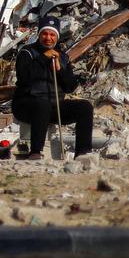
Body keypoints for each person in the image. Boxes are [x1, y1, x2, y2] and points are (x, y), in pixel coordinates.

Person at [11, 21, 93, 158]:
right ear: (39, 35)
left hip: (54, 105)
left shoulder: (62, 57)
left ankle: (83, 153)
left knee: (85, 107)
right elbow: (25, 78)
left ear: (57, 37)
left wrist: (61, 70)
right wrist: (43, 59)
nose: (48, 38)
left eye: (52, 35)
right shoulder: (27, 53)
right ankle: (36, 151)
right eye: (45, 34)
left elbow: (70, 87)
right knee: (42, 105)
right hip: (27, 105)